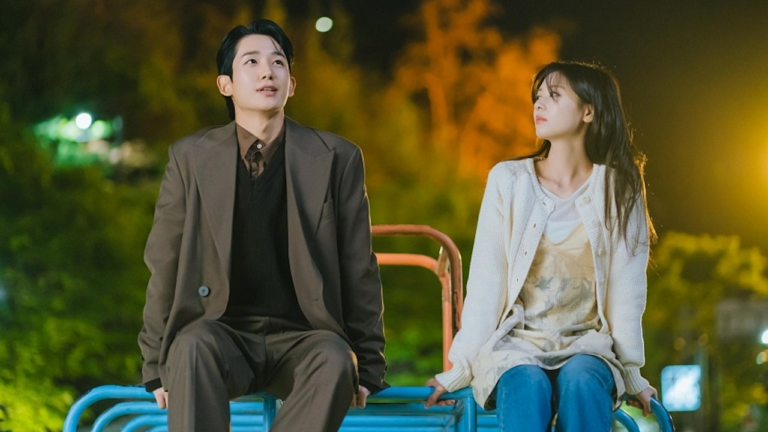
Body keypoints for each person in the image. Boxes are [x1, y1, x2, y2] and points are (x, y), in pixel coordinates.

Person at [137, 19, 387, 432]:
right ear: (225, 85)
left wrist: (370, 364)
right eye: (251, 62)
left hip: (306, 338)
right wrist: (153, 364)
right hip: (221, 335)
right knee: (190, 346)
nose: (267, 72)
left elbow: (358, 265)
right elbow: (164, 261)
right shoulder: (189, 158)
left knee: (336, 359)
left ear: (292, 85)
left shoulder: (338, 157)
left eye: (278, 63)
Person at [425, 61, 657, 431]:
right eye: (537, 96)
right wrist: (460, 368)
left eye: (554, 95)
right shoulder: (508, 180)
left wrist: (631, 372)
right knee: (526, 384)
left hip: (588, 344)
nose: (539, 104)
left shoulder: (619, 188)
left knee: (582, 380)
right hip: (516, 344)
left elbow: (627, 291)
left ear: (588, 111)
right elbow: (486, 283)